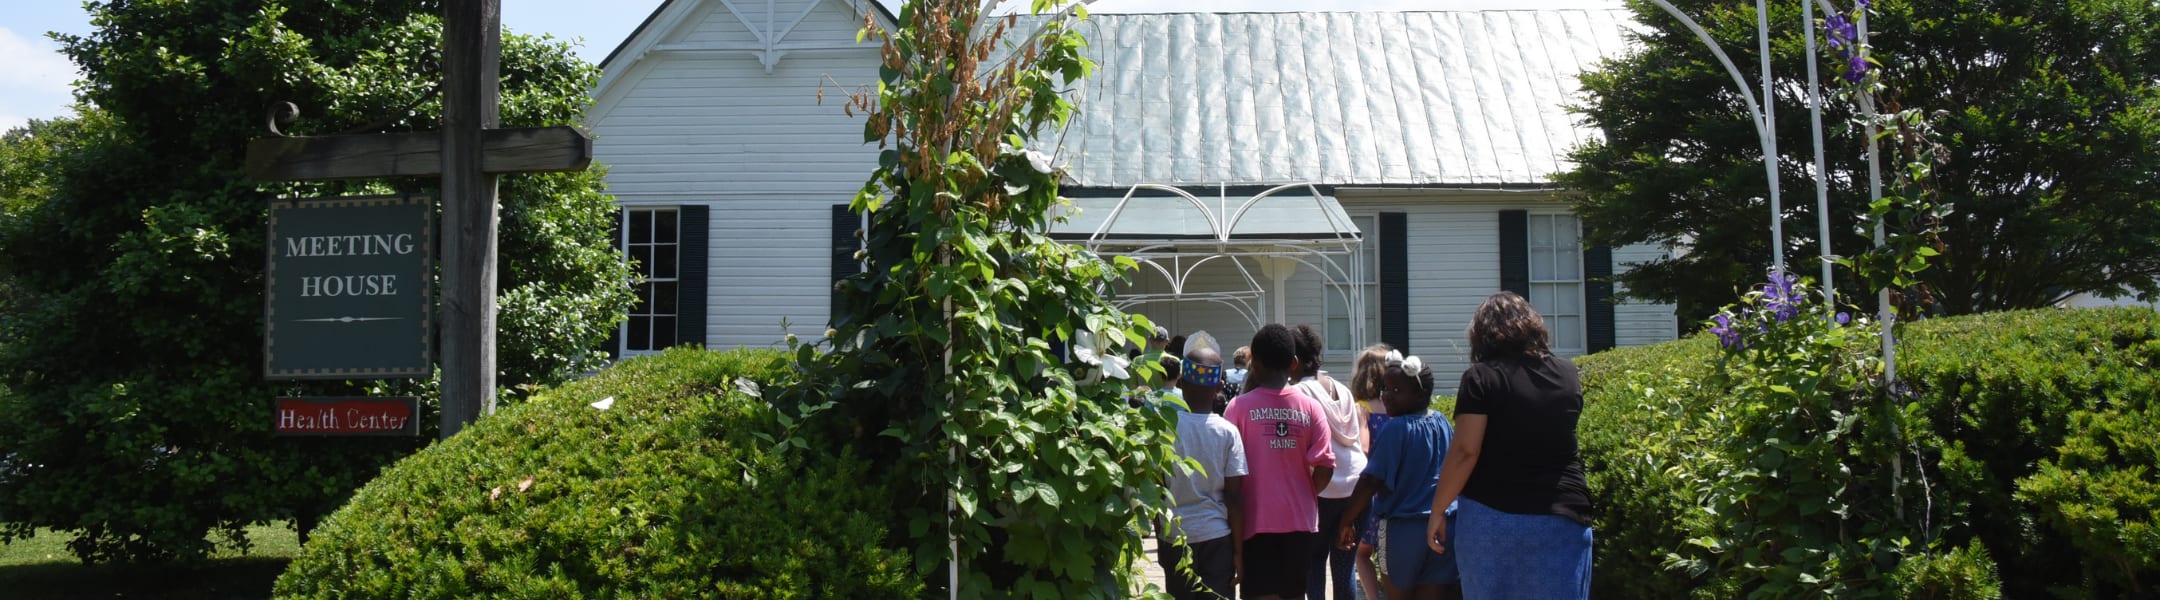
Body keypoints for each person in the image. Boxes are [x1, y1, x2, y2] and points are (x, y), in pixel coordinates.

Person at [1426, 292, 1595, 599]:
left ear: (1482, 334)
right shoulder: (1569, 375)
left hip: (1493, 519)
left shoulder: (1480, 377)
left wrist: (1438, 510)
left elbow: (1465, 451)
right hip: (1564, 516)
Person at [1224, 324, 1335, 600]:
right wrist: (1305, 492)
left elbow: (1226, 471)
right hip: (1300, 521)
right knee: (1295, 594)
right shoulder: (1311, 408)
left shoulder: (1238, 408)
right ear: (1294, 363)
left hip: (1254, 522)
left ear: (1255, 364)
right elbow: (1325, 465)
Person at [1338, 351, 1459, 600]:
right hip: (1443, 527)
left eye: (1395, 390)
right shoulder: (1442, 423)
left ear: (1420, 394)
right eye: (1385, 388)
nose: (1386, 396)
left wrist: (1346, 519)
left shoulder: (1395, 429)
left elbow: (1372, 480)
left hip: (1401, 531)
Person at [1162, 342, 1247, 600]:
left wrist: (1161, 535)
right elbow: (1234, 498)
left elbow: (1156, 487)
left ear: (1181, 384)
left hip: (1175, 538)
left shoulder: (1166, 429)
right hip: (1217, 538)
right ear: (1219, 388)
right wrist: (1239, 553)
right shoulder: (1227, 432)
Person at [1291, 325, 1362, 600]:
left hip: (1323, 487)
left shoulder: (1299, 394)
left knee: (1314, 562)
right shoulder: (1342, 389)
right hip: (1356, 487)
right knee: (1345, 567)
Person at [1347, 344, 1397, 600]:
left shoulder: (1363, 407)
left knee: (1363, 553)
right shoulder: (1397, 409)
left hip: (1373, 491)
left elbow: (1364, 447)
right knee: (1390, 553)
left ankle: (1373, 598)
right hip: (1398, 487)